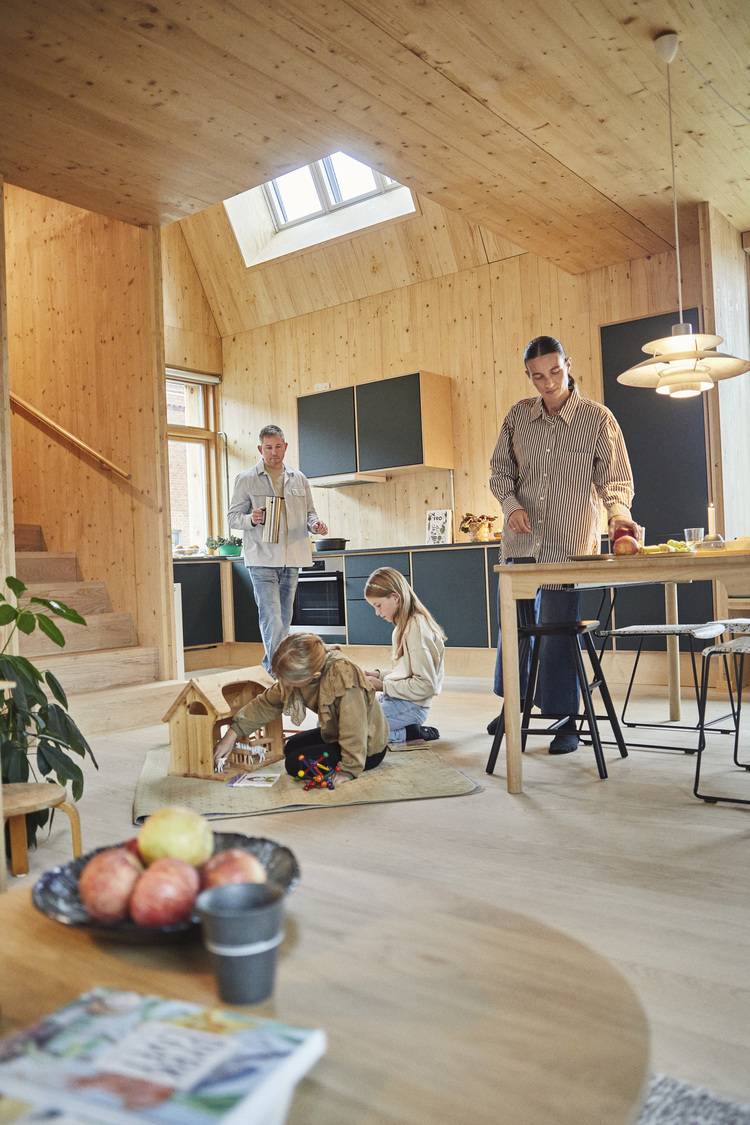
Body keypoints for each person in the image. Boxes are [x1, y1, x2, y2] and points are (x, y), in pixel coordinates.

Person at [489, 335, 637, 754]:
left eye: (555, 372)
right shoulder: (518, 417)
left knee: (557, 631)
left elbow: (615, 481)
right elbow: (500, 473)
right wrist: (511, 504)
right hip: (520, 544)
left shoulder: (597, 418)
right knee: (515, 629)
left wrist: (619, 516)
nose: (548, 382)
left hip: (570, 544)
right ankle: (514, 706)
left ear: (567, 364)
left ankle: (566, 718)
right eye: (538, 376)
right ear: (529, 376)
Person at [213, 633, 389, 785]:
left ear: (314, 676)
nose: (285, 686)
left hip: (366, 748)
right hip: (336, 734)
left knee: (293, 764)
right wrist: (233, 732)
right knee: (291, 747)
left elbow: (354, 728)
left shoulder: (343, 676)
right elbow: (266, 703)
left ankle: (355, 762)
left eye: (290, 683)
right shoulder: (304, 668)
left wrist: (349, 770)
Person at [227, 425, 328, 673]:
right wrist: (253, 518)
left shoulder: (299, 478)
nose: (274, 452)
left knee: (284, 619)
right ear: (261, 449)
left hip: (292, 557)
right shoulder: (246, 478)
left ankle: (272, 665)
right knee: (271, 616)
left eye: (278, 447)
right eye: (269, 448)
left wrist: (315, 523)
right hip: (261, 558)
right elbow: (232, 518)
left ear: (285, 447)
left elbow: (309, 512)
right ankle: (278, 671)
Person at [363, 567, 445, 744]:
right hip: (398, 700)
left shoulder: (416, 629)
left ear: (395, 598)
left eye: (378, 605)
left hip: (411, 707)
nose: (377, 613)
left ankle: (409, 733)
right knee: (343, 723)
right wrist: (378, 675)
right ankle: (403, 729)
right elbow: (406, 672)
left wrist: (382, 686)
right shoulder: (404, 626)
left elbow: (425, 685)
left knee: (351, 732)